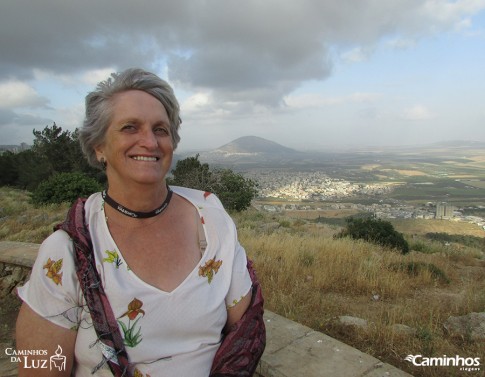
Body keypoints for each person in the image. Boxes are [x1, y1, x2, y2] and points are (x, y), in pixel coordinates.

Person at [16, 68, 264, 377]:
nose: (149, 141)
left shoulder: (211, 217)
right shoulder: (67, 253)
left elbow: (245, 329)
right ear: (99, 146)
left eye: (160, 130)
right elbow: (37, 368)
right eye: (130, 127)